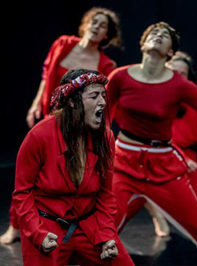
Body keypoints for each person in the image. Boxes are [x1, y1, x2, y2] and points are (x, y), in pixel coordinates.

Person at [106, 22, 197, 265]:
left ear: (170, 52)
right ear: (142, 43)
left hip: (163, 166)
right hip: (124, 162)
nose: (158, 36)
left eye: (164, 36)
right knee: (102, 226)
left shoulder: (180, 85)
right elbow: (101, 117)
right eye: (153, 33)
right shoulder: (120, 77)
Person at [0, 6, 122, 245]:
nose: (97, 27)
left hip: (77, 128)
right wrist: (36, 103)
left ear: (107, 35)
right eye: (94, 22)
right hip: (50, 119)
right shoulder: (63, 43)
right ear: (86, 24)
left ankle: (73, 226)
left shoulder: (106, 63)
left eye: (103, 26)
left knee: (65, 176)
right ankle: (16, 224)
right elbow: (47, 75)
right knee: (29, 174)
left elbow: (101, 99)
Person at [12, 69, 135, 265]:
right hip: (46, 226)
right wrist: (37, 233)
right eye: (94, 96)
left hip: (89, 225)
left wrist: (106, 235)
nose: (103, 102)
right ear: (71, 101)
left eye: (103, 95)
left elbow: (105, 194)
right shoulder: (39, 136)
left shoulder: (105, 137)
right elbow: (22, 193)